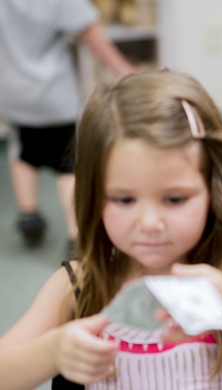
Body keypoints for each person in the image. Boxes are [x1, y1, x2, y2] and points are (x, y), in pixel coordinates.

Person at [0, 70, 222, 389]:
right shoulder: (79, 284)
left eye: (174, 199)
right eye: (124, 199)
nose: (151, 223)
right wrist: (51, 351)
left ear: (212, 192)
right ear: (94, 198)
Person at [0, 0, 135, 250]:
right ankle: (76, 233)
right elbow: (89, 30)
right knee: (69, 163)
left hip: (11, 94)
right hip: (53, 95)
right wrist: (122, 69)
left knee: (23, 150)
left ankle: (28, 212)